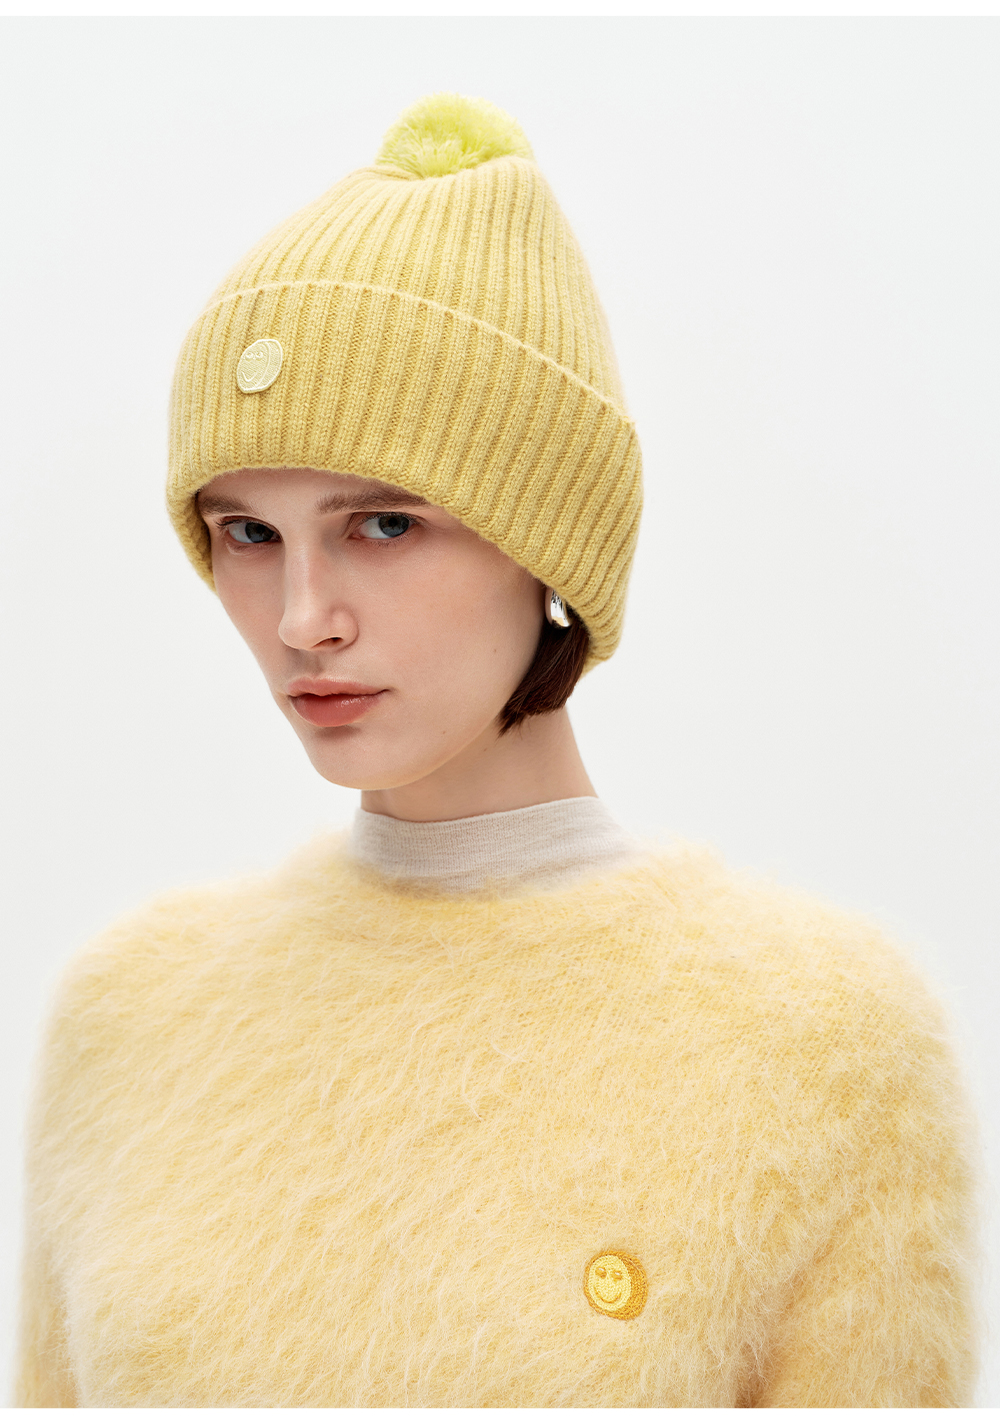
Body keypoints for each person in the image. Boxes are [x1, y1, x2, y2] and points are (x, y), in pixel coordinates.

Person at [14, 93, 981, 1408]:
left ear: (549, 539)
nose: (302, 618)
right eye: (247, 533)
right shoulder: (127, 1018)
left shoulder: (829, 1040)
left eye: (385, 525)